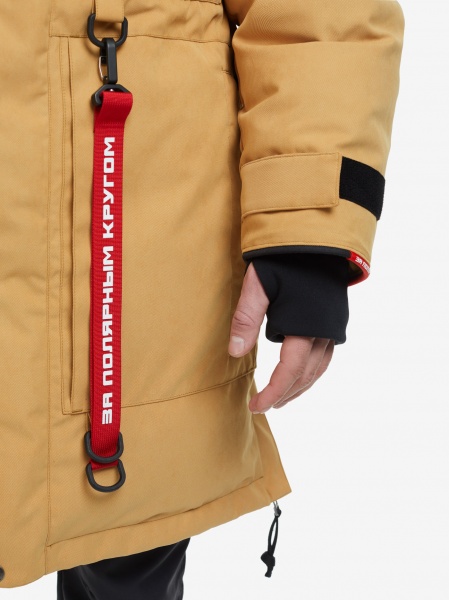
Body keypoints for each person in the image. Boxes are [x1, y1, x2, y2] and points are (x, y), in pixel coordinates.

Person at [0, 0, 404, 596]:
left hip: (142, 311)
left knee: (128, 552)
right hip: (135, 308)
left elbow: (321, 16)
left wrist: (307, 232)